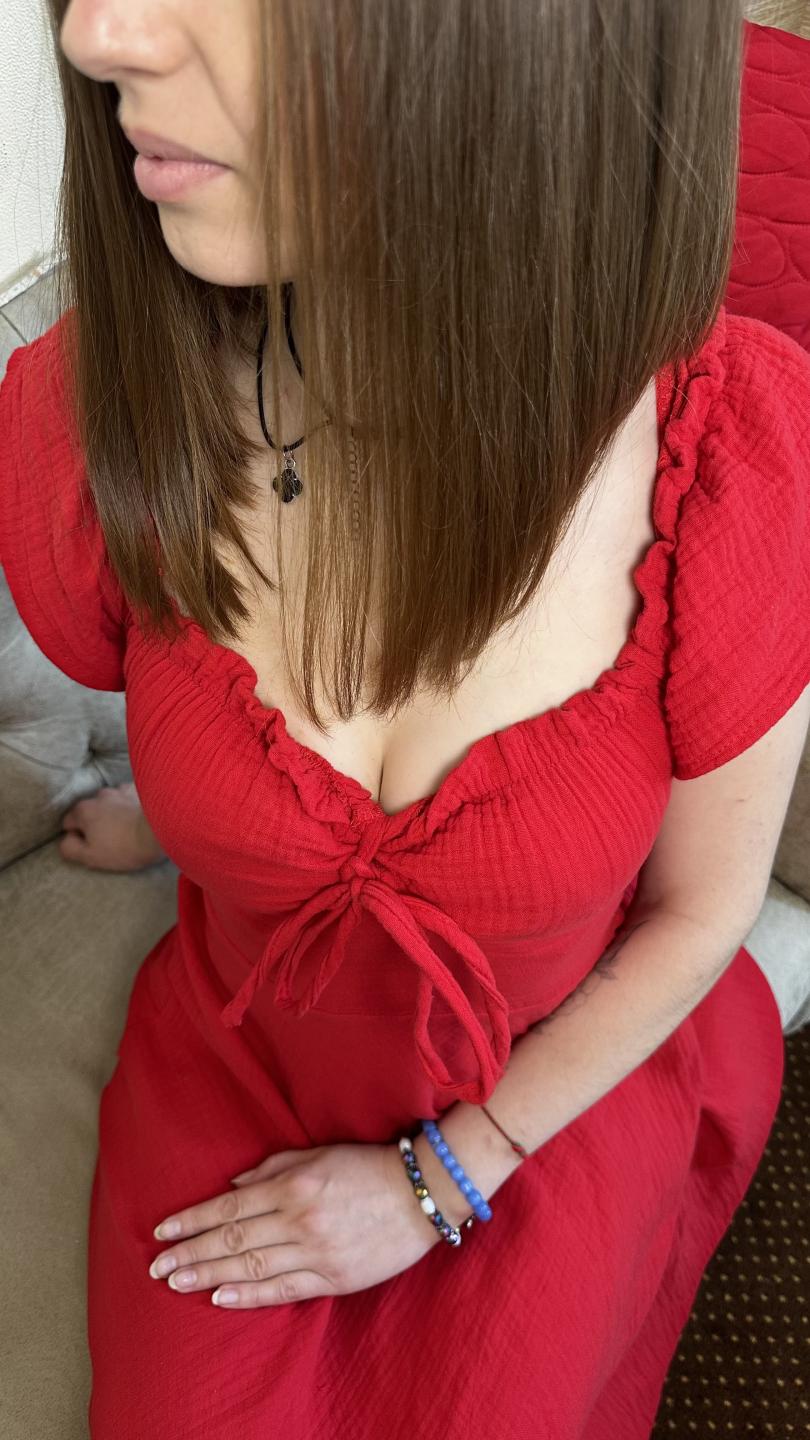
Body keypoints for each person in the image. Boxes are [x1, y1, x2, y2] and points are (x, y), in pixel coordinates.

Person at [3, 2, 810, 1436]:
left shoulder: (732, 457)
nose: (102, 33)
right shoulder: (90, 412)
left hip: (545, 1103)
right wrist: (193, 825)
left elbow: (702, 910)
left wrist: (442, 1178)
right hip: (238, 1073)